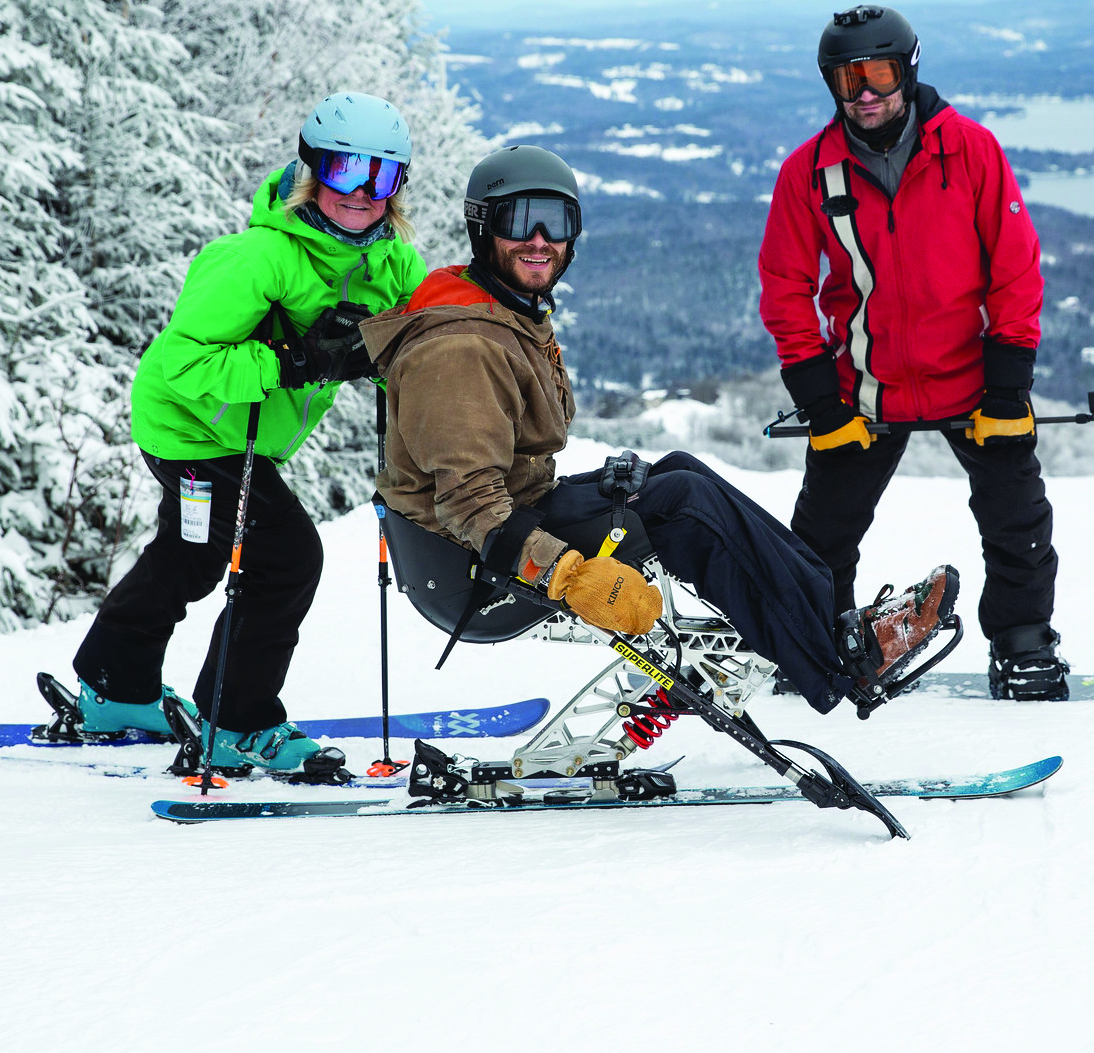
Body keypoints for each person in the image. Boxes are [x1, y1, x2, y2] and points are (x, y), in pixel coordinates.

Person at [362, 144, 958, 716]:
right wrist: (571, 576)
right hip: (471, 569)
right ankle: (834, 663)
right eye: (519, 219)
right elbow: (471, 505)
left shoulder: (503, 311)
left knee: (676, 471)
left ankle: (832, 624)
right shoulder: (462, 346)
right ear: (482, 227)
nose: (540, 239)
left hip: (503, 527)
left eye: (556, 220)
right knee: (684, 505)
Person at [65, 93, 426, 772]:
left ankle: (115, 686)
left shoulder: (391, 267)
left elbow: (415, 339)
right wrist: (290, 361)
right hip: (191, 426)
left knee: (191, 554)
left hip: (240, 437)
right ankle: (235, 720)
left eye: (382, 176)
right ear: (313, 171)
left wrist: (393, 358)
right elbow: (183, 362)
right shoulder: (256, 258)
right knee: (287, 556)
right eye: (346, 170)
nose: (362, 192)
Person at [756, 4, 1069, 702]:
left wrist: (1009, 389)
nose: (866, 92)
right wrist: (820, 403)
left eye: (880, 73)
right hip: (865, 388)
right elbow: (785, 288)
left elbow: (1015, 269)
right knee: (820, 538)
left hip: (974, 382)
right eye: (847, 79)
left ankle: (1022, 642)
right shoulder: (810, 172)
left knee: (1017, 518)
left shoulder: (970, 150)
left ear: (910, 69)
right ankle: (815, 648)